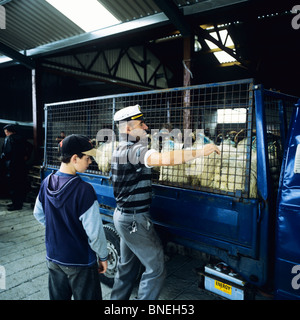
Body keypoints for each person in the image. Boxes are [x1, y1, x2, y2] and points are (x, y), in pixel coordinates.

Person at [110, 105, 220, 300]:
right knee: (156, 268)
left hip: (123, 217)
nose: (145, 127)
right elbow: (165, 159)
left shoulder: (119, 148)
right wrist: (201, 151)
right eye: (141, 124)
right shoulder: (133, 150)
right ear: (128, 129)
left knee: (126, 267)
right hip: (134, 221)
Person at [33, 134, 108, 300]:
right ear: (75, 158)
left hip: (53, 256)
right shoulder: (84, 190)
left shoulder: (46, 182)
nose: (90, 162)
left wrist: (58, 229)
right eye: (88, 158)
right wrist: (103, 256)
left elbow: (38, 213)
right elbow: (95, 233)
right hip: (80, 260)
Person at [0, 124, 27, 211]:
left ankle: (15, 205)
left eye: (5, 132)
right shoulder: (21, 138)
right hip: (21, 165)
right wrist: (26, 156)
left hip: (11, 166)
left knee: (13, 185)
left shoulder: (9, 139)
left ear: (7, 131)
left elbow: (6, 153)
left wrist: (1, 158)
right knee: (20, 184)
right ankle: (19, 203)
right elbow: (30, 147)